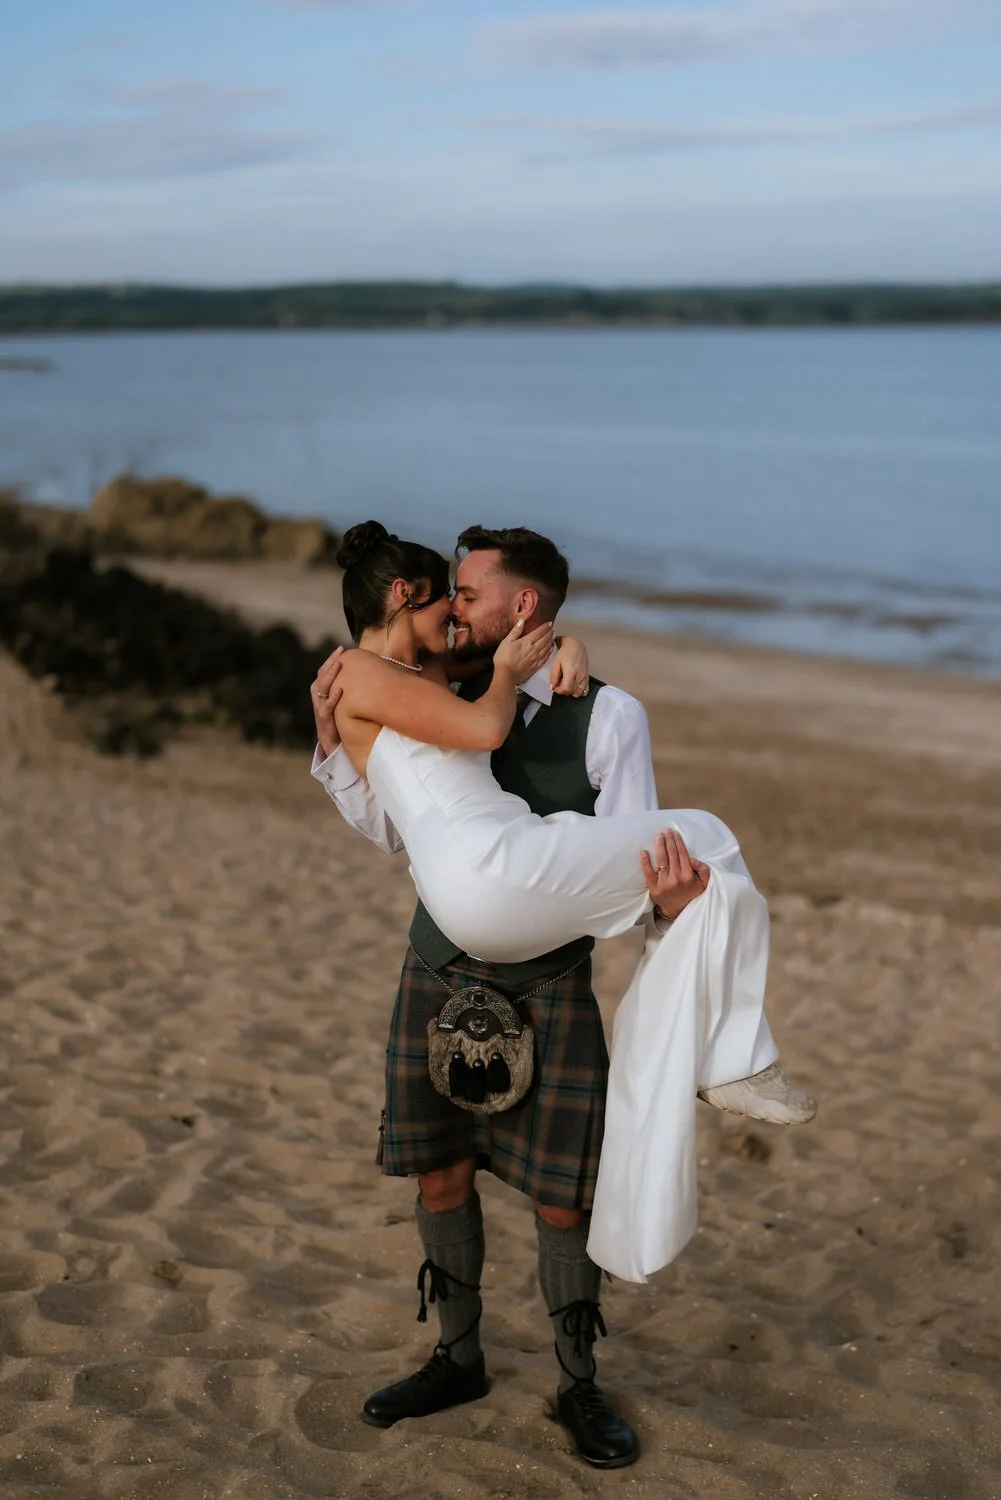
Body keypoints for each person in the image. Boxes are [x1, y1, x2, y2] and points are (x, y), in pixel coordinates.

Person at [311, 521, 814, 1469]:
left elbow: (634, 859)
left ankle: (577, 1383)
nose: (455, 612)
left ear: (523, 608)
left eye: (468, 596)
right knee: (439, 1173)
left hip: (547, 980)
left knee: (561, 1198)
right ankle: (455, 1358)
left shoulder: (607, 714)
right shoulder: (446, 681)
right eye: (445, 595)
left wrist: (671, 905)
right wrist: (330, 734)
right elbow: (389, 823)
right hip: (440, 961)